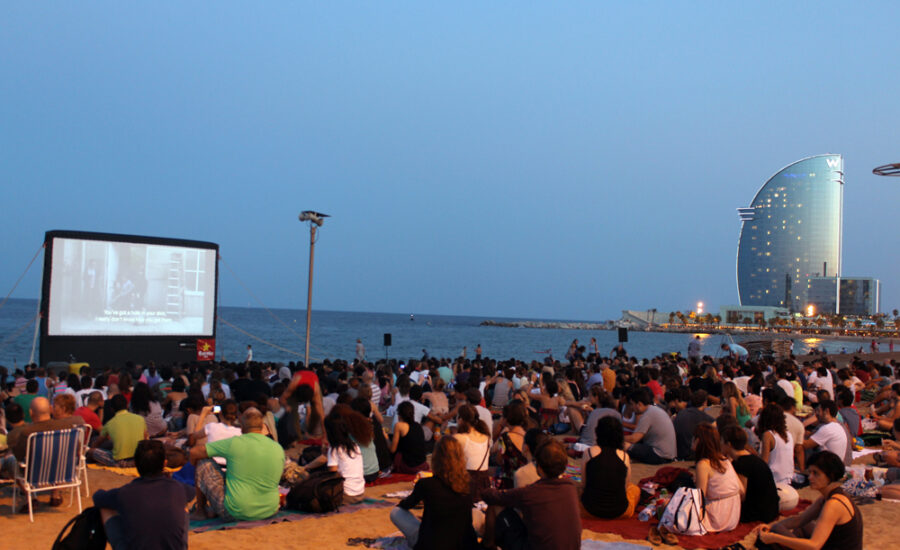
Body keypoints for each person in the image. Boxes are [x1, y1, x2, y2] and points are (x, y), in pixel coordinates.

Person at [93, 440, 195, 550]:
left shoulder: (125, 493)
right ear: (165, 464)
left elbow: (97, 497)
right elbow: (192, 493)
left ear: (136, 465)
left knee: (106, 508)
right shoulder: (178, 488)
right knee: (183, 506)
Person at [481, 439, 582, 550]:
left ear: (539, 466)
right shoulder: (570, 488)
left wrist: (485, 490)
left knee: (494, 505)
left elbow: (494, 497)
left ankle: (487, 546)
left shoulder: (531, 492)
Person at [191, 408, 284, 521]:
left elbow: (194, 452)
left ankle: (200, 510)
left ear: (242, 426)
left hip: (236, 511)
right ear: (262, 426)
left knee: (203, 463)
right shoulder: (277, 447)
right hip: (270, 509)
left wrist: (195, 470)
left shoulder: (234, 443)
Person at [758, 451, 863, 550]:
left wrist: (775, 537)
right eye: (810, 472)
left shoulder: (834, 504)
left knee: (777, 531)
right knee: (798, 526)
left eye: (816, 473)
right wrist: (770, 525)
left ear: (830, 475)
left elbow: (814, 546)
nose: (810, 477)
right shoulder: (830, 496)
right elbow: (801, 520)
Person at [390, 436, 479, 550]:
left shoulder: (426, 484)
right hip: (462, 542)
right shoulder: (469, 482)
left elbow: (405, 505)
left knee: (396, 512)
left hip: (432, 543)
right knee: (476, 514)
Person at [580, 416, 641, 519]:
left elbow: (584, 484)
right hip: (620, 512)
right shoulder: (624, 457)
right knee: (635, 489)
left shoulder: (589, 452)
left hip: (588, 510)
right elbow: (625, 487)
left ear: (598, 432)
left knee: (574, 488)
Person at [720, 425, 781, 523]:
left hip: (757, 514)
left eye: (721, 441)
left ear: (729, 444)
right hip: (771, 510)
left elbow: (741, 494)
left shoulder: (741, 464)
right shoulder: (753, 458)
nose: (720, 444)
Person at [689, 423, 741, 533]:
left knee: (671, 508)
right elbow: (741, 490)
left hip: (717, 516)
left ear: (698, 440)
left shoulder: (703, 464)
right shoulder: (724, 459)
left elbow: (700, 498)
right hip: (733, 514)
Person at [90, 394, 147, 467]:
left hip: (120, 462)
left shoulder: (110, 423)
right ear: (127, 405)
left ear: (112, 409)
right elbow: (145, 439)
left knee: (92, 451)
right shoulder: (140, 419)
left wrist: (91, 449)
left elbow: (97, 443)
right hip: (137, 460)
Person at [625, 388, 677, 464]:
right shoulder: (654, 410)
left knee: (625, 445)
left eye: (632, 404)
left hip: (660, 455)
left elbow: (634, 438)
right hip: (668, 455)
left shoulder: (647, 415)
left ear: (639, 404)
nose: (631, 407)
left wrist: (618, 437)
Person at [454, 404, 492, 498]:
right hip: (484, 483)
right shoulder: (486, 437)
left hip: (466, 483)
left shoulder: (460, 438)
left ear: (460, 419)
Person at [757, 403, 795, 486]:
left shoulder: (768, 435)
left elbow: (764, 463)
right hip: (788, 478)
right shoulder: (788, 434)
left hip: (774, 480)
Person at [672, 389, 713, 460]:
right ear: (705, 402)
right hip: (693, 454)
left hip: (679, 452)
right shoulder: (707, 419)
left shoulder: (680, 414)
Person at [390, 401, 428, 473]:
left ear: (400, 415)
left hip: (410, 466)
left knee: (396, 454)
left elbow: (392, 450)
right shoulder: (418, 425)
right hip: (422, 463)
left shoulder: (399, 425)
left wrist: (385, 438)